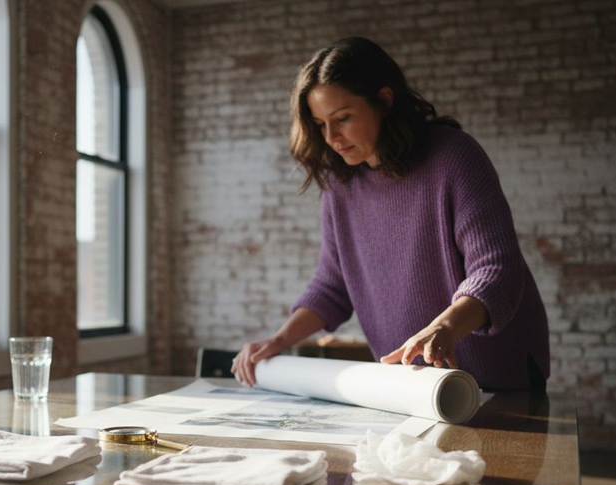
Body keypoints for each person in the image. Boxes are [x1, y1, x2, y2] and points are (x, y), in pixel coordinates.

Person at [231, 37, 549, 391]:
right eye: (320, 125)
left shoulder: (454, 157)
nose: (332, 137)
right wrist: (280, 340)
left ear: (384, 100)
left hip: (498, 376)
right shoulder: (340, 186)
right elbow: (332, 286)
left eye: (343, 118)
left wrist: (444, 327)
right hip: (412, 385)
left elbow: (496, 269)